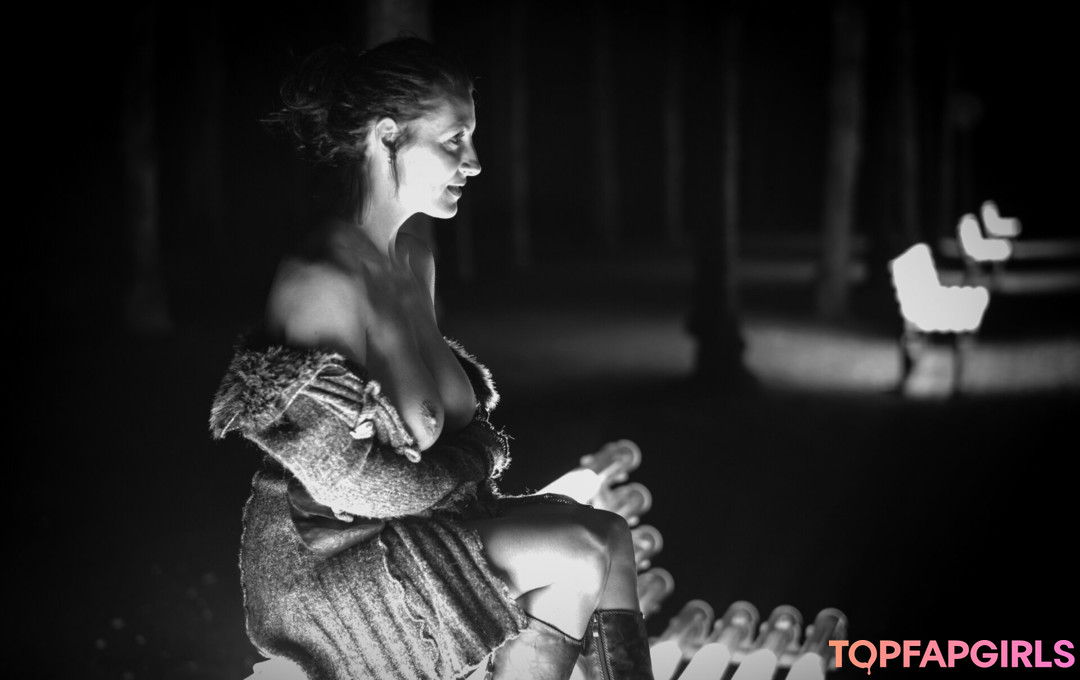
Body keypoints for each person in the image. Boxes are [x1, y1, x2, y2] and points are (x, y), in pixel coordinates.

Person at [209, 37, 653, 680]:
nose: (474, 161)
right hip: (330, 560)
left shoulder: (415, 261)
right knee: (578, 551)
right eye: (453, 140)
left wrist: (467, 461)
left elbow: (441, 436)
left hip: (422, 524)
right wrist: (475, 460)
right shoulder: (322, 279)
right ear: (387, 136)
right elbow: (345, 482)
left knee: (610, 535)